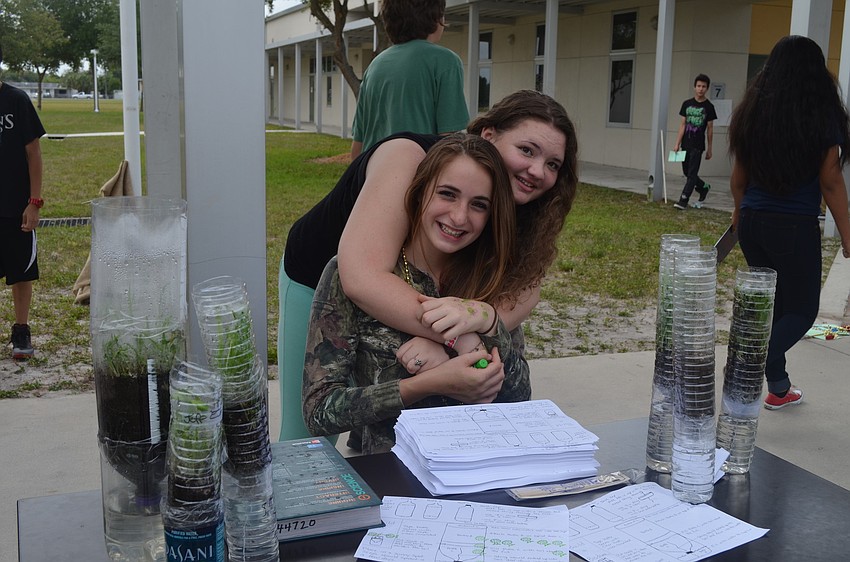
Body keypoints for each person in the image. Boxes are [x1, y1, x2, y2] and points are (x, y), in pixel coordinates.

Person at [280, 89, 577, 443]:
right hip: (322, 274)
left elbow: (524, 291)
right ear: (489, 135)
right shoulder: (410, 162)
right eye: (526, 150)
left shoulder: (510, 214)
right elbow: (361, 278)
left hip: (425, 298)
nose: (536, 171)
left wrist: (475, 323)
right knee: (306, 447)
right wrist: (459, 339)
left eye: (553, 164)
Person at [303, 134, 530, 454]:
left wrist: (489, 321)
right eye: (447, 194)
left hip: (480, 466)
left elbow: (519, 397)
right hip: (392, 475)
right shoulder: (354, 273)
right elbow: (319, 411)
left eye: (479, 205)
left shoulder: (490, 277)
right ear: (420, 191)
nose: (459, 217)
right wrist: (425, 385)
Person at [728, 35, 850, 410]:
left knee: (777, 307)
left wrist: (738, 216)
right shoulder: (821, 118)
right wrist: (848, 235)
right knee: (800, 312)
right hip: (793, 228)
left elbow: (738, 179)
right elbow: (830, 182)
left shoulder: (752, 114)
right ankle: (750, 362)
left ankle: (779, 388)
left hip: (752, 222)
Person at [349, 0, 468, 159]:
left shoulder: (375, 66)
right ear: (436, 18)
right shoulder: (446, 61)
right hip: (416, 174)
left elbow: (358, 144)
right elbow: (448, 141)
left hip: (372, 173)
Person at [0, 44, 46, 360]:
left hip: (16, 207)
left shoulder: (17, 100)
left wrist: (34, 202)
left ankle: (21, 330)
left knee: (22, 273)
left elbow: (34, 154)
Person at [673, 74, 717, 210]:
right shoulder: (687, 104)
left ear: (707, 88)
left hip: (698, 145)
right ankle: (703, 187)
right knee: (687, 172)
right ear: (694, 87)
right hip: (686, 143)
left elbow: (710, 129)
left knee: (692, 174)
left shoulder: (709, 107)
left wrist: (710, 148)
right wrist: (677, 143)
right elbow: (682, 125)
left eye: (704, 87)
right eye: (698, 86)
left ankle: (683, 200)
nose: (701, 89)